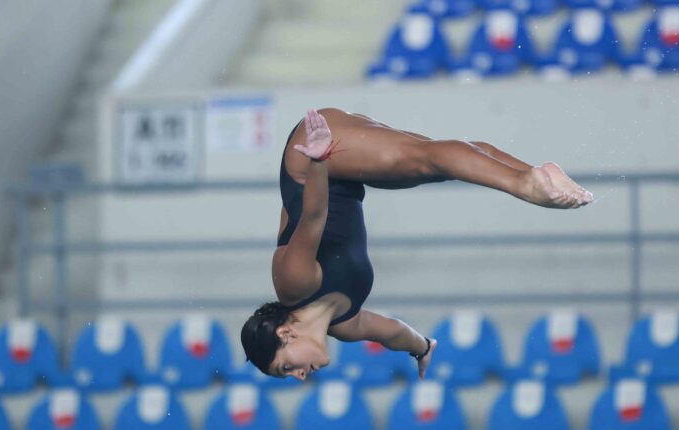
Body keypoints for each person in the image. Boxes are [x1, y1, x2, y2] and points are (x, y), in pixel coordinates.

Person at [241, 108, 593, 381]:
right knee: (442, 161)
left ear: (285, 333)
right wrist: (423, 348)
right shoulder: (345, 324)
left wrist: (319, 158)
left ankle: (526, 184)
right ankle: (540, 174)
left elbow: (314, 216)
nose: (300, 376)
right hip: (339, 172)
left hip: (313, 159)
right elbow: (395, 334)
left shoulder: (293, 282)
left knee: (429, 159)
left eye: (287, 368)